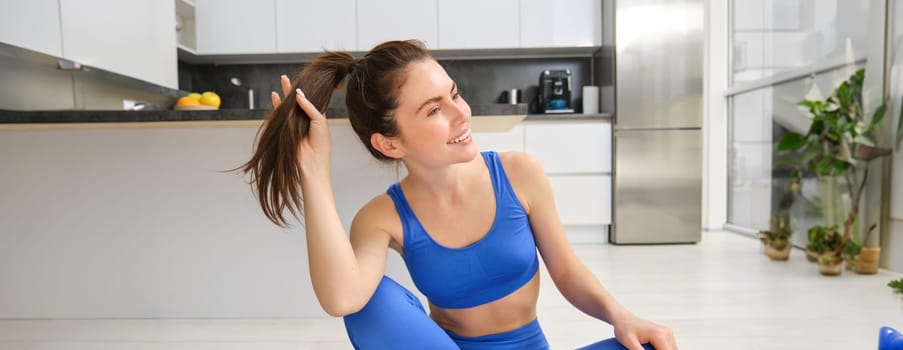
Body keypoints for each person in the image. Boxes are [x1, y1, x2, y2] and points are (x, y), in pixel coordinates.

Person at [239, 39, 676, 350]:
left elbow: (568, 271)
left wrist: (622, 316)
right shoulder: (382, 217)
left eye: (454, 94)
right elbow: (341, 299)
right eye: (433, 109)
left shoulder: (519, 173)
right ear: (389, 143)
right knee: (367, 304)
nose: (461, 113)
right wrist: (313, 171)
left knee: (652, 347)